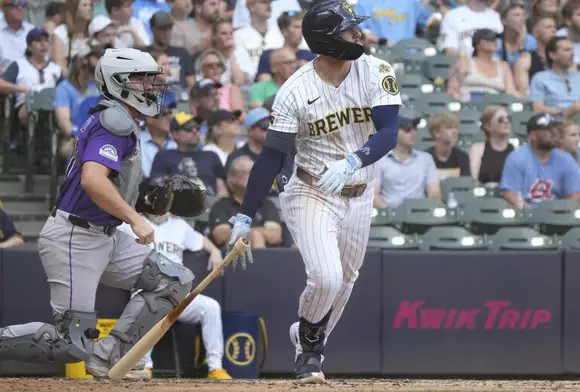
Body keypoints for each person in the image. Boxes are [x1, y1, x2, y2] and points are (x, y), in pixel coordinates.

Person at [225, 0, 402, 384]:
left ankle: (307, 331)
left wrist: (353, 161)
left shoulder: (377, 70)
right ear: (327, 40)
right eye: (348, 29)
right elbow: (271, 157)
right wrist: (245, 213)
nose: (358, 33)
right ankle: (309, 350)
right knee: (326, 276)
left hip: (359, 189)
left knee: (346, 278)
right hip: (311, 188)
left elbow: (389, 133)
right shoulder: (295, 89)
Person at [0, 48, 198, 380]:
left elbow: (108, 185)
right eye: (142, 79)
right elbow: (93, 181)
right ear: (120, 82)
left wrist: (145, 201)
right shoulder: (115, 119)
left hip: (104, 233)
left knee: (173, 280)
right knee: (71, 345)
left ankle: (110, 357)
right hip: (76, 236)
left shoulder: (120, 118)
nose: (150, 86)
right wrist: (136, 219)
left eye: (150, 80)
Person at [117, 211, 233, 380]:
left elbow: (201, 240)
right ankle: (143, 366)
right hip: (146, 290)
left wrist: (215, 251)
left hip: (176, 293)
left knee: (211, 307)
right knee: (144, 308)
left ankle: (215, 368)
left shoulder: (179, 226)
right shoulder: (132, 224)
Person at [499, 113, 580, 207]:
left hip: (557, 215)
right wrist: (533, 213)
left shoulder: (566, 160)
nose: (554, 133)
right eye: (548, 130)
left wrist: (560, 213)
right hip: (524, 216)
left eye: (555, 129)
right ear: (533, 136)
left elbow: (575, 195)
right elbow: (510, 194)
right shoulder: (516, 158)